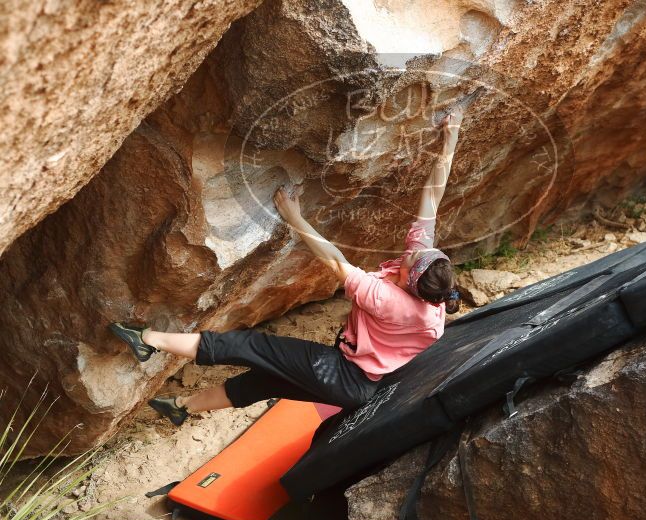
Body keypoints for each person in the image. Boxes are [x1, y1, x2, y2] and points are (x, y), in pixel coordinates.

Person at [109, 108, 465, 427]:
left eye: (407, 262)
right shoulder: (428, 280)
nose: (408, 252)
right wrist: (450, 138)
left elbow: (334, 262)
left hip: (342, 374)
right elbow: (432, 197)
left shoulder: (392, 301)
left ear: (408, 283)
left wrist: (295, 217)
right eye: (418, 251)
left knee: (253, 347)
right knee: (260, 381)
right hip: (356, 382)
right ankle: (181, 406)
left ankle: (149, 342)